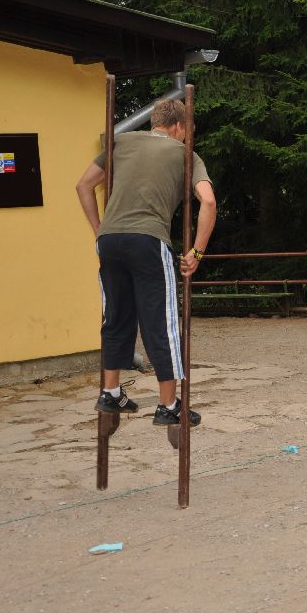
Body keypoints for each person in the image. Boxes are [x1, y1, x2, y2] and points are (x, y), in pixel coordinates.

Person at [74, 98, 216, 425]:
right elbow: (208, 201)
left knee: (116, 316)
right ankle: (168, 405)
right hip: (149, 240)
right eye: (187, 130)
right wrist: (196, 252)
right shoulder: (185, 154)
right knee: (160, 321)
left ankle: (110, 393)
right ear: (179, 126)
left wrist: (99, 230)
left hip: (110, 241)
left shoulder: (120, 142)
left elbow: (83, 185)